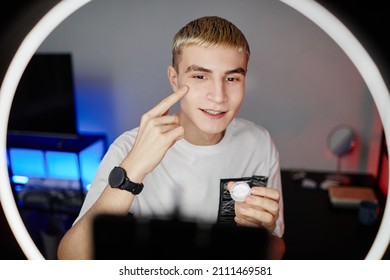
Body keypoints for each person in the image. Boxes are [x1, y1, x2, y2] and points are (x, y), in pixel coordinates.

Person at [57, 16, 285, 260]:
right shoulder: (128, 147)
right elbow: (70, 259)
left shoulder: (259, 142)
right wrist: (133, 168)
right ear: (174, 79)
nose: (219, 96)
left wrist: (262, 234)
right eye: (200, 76)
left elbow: (277, 248)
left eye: (232, 78)